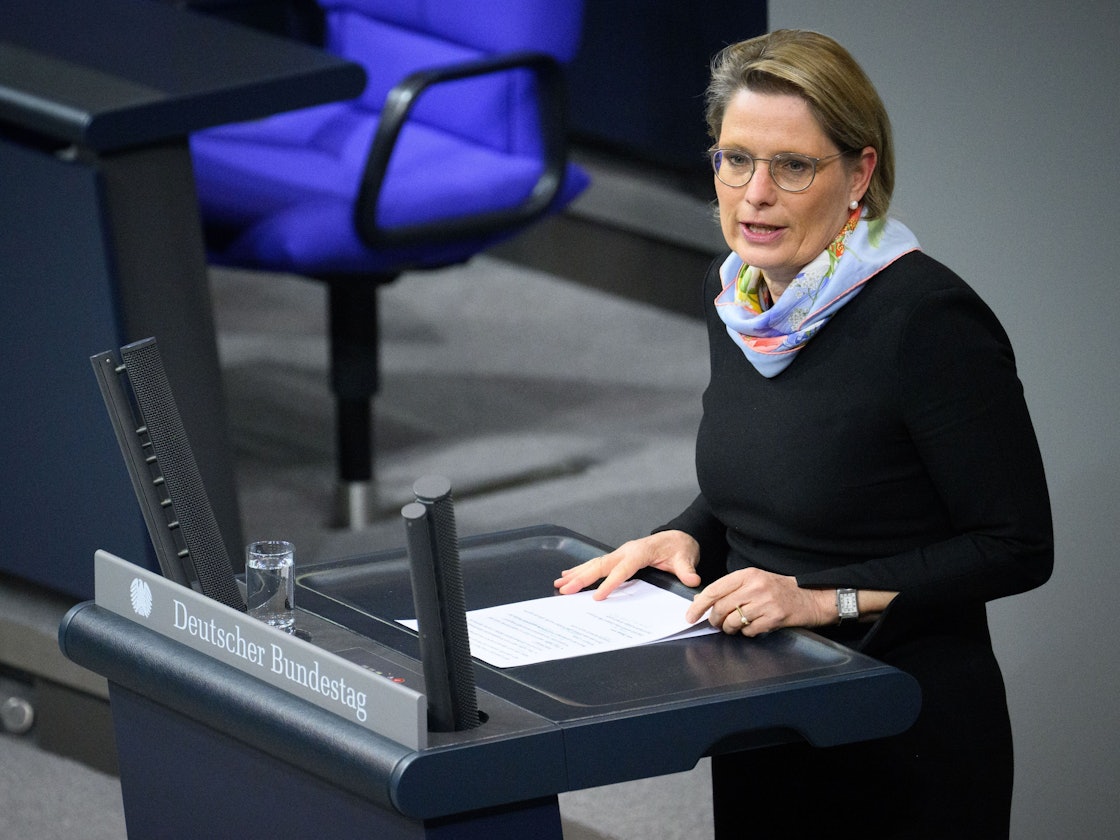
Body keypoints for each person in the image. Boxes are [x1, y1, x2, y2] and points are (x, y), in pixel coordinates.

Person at [554, 29, 1053, 839]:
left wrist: (821, 598)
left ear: (859, 174)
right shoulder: (742, 298)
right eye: (735, 160)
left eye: (791, 166)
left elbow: (1017, 546)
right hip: (764, 700)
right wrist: (685, 533)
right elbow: (786, 466)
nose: (755, 194)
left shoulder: (928, 323)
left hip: (897, 723)